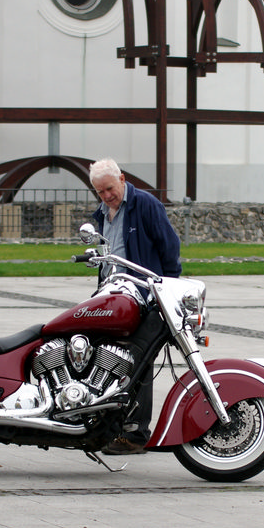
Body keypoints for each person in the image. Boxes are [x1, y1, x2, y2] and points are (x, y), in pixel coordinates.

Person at [88, 158, 182, 455]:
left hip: (145, 296)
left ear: (123, 179)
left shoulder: (146, 205)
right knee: (108, 358)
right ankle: (107, 425)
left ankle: (136, 435)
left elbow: (169, 247)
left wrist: (167, 290)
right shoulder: (101, 213)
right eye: (100, 192)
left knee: (137, 361)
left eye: (109, 189)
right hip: (112, 298)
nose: (106, 196)